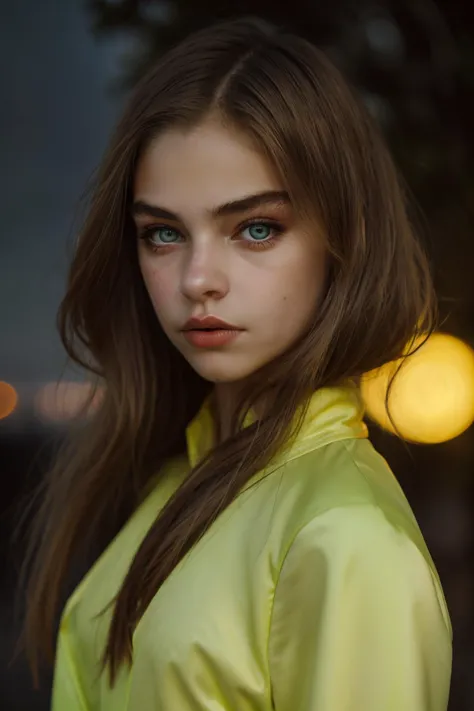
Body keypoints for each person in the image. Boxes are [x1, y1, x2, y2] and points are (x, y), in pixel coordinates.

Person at [22, 16, 452, 711]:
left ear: (343, 236)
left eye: (256, 228)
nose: (198, 278)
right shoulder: (178, 477)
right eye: (163, 233)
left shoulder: (344, 534)